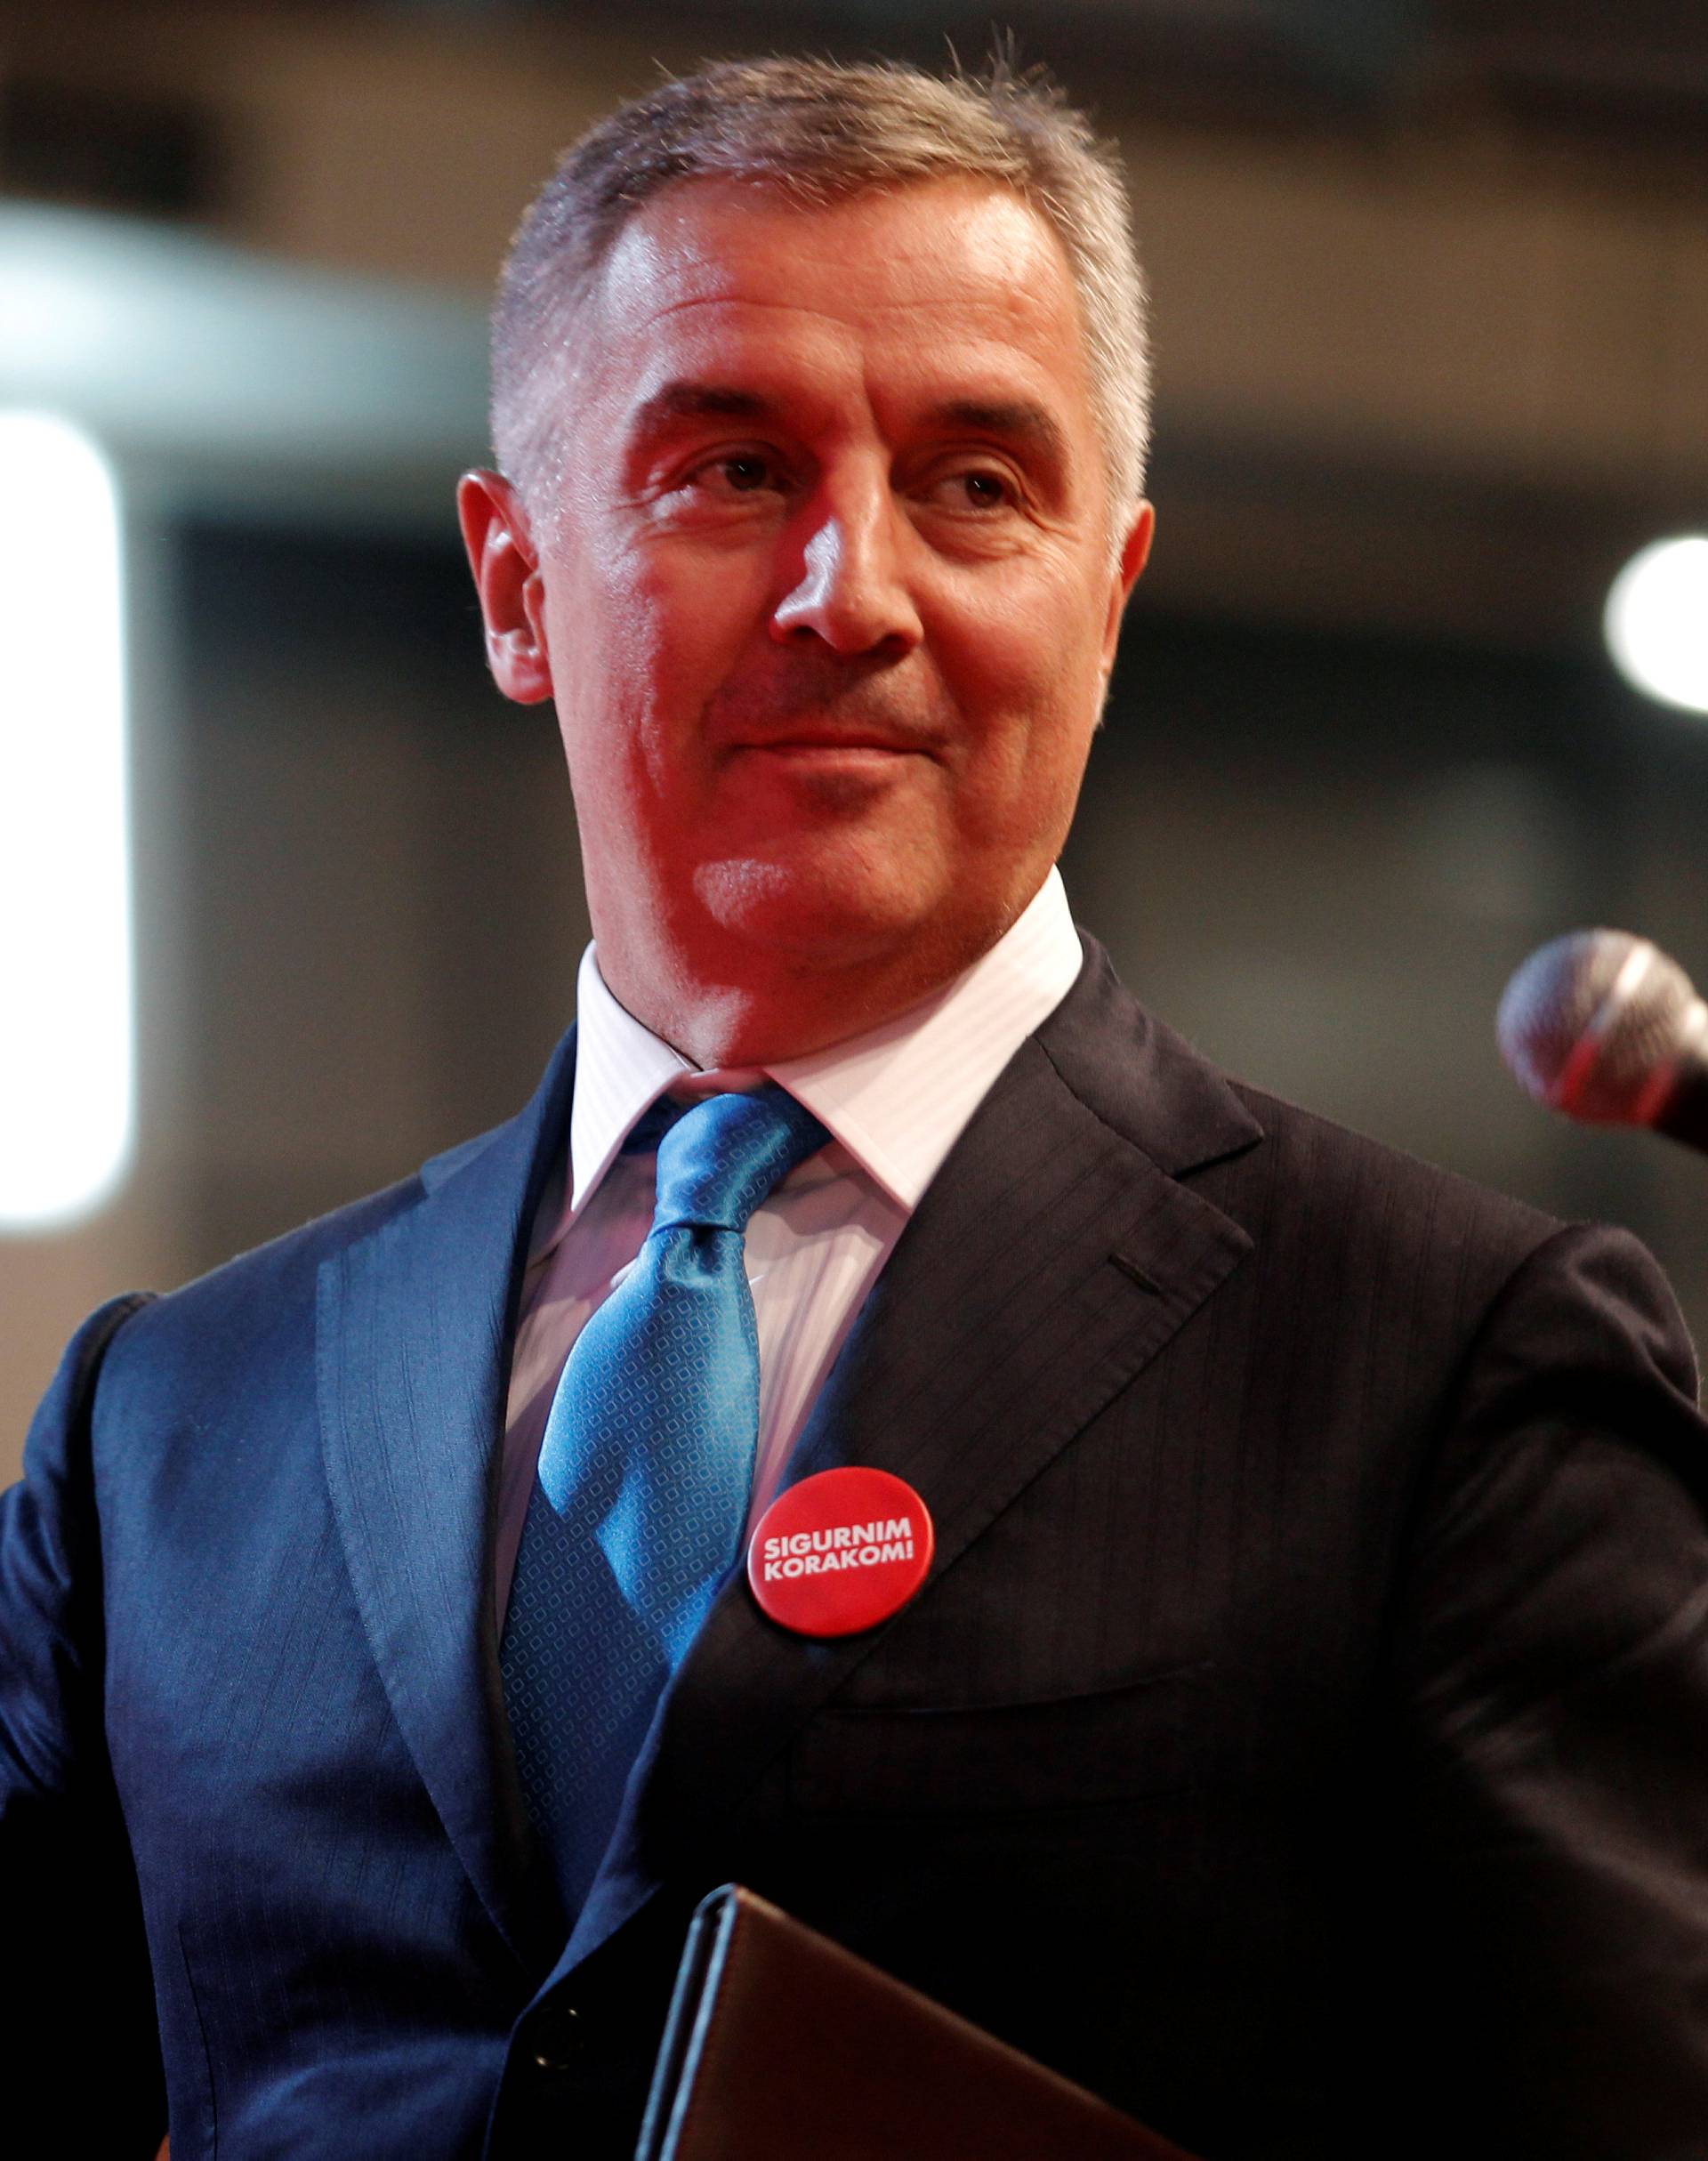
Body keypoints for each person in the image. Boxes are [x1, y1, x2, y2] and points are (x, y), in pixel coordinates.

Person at [5, 52, 1708, 2161]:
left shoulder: (1454, 1368)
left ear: (1110, 593)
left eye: (979, 485)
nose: (859, 593)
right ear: (517, 583)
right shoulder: (165, 1425)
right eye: (733, 471)